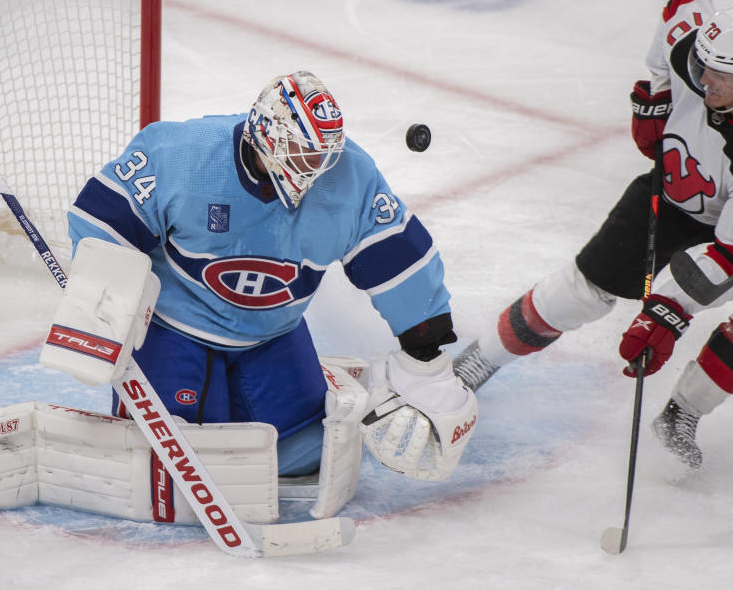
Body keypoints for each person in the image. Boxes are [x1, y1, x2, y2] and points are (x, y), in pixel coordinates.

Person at [453, 0, 733, 469]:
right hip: (682, 189)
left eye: (718, 76)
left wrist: (666, 313)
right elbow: (684, 2)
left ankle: (682, 413)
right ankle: (476, 361)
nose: (703, 79)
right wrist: (657, 94)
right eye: (700, 66)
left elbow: (731, 255)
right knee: (583, 289)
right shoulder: (699, 52)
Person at [66, 69, 477, 482]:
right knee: (167, 455)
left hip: (272, 336)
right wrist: (103, 304)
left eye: (324, 152)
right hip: (176, 330)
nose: (317, 166)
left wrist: (427, 358)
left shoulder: (347, 177)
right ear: (269, 137)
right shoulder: (182, 156)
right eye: (303, 151)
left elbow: (398, 256)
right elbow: (102, 219)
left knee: (310, 452)